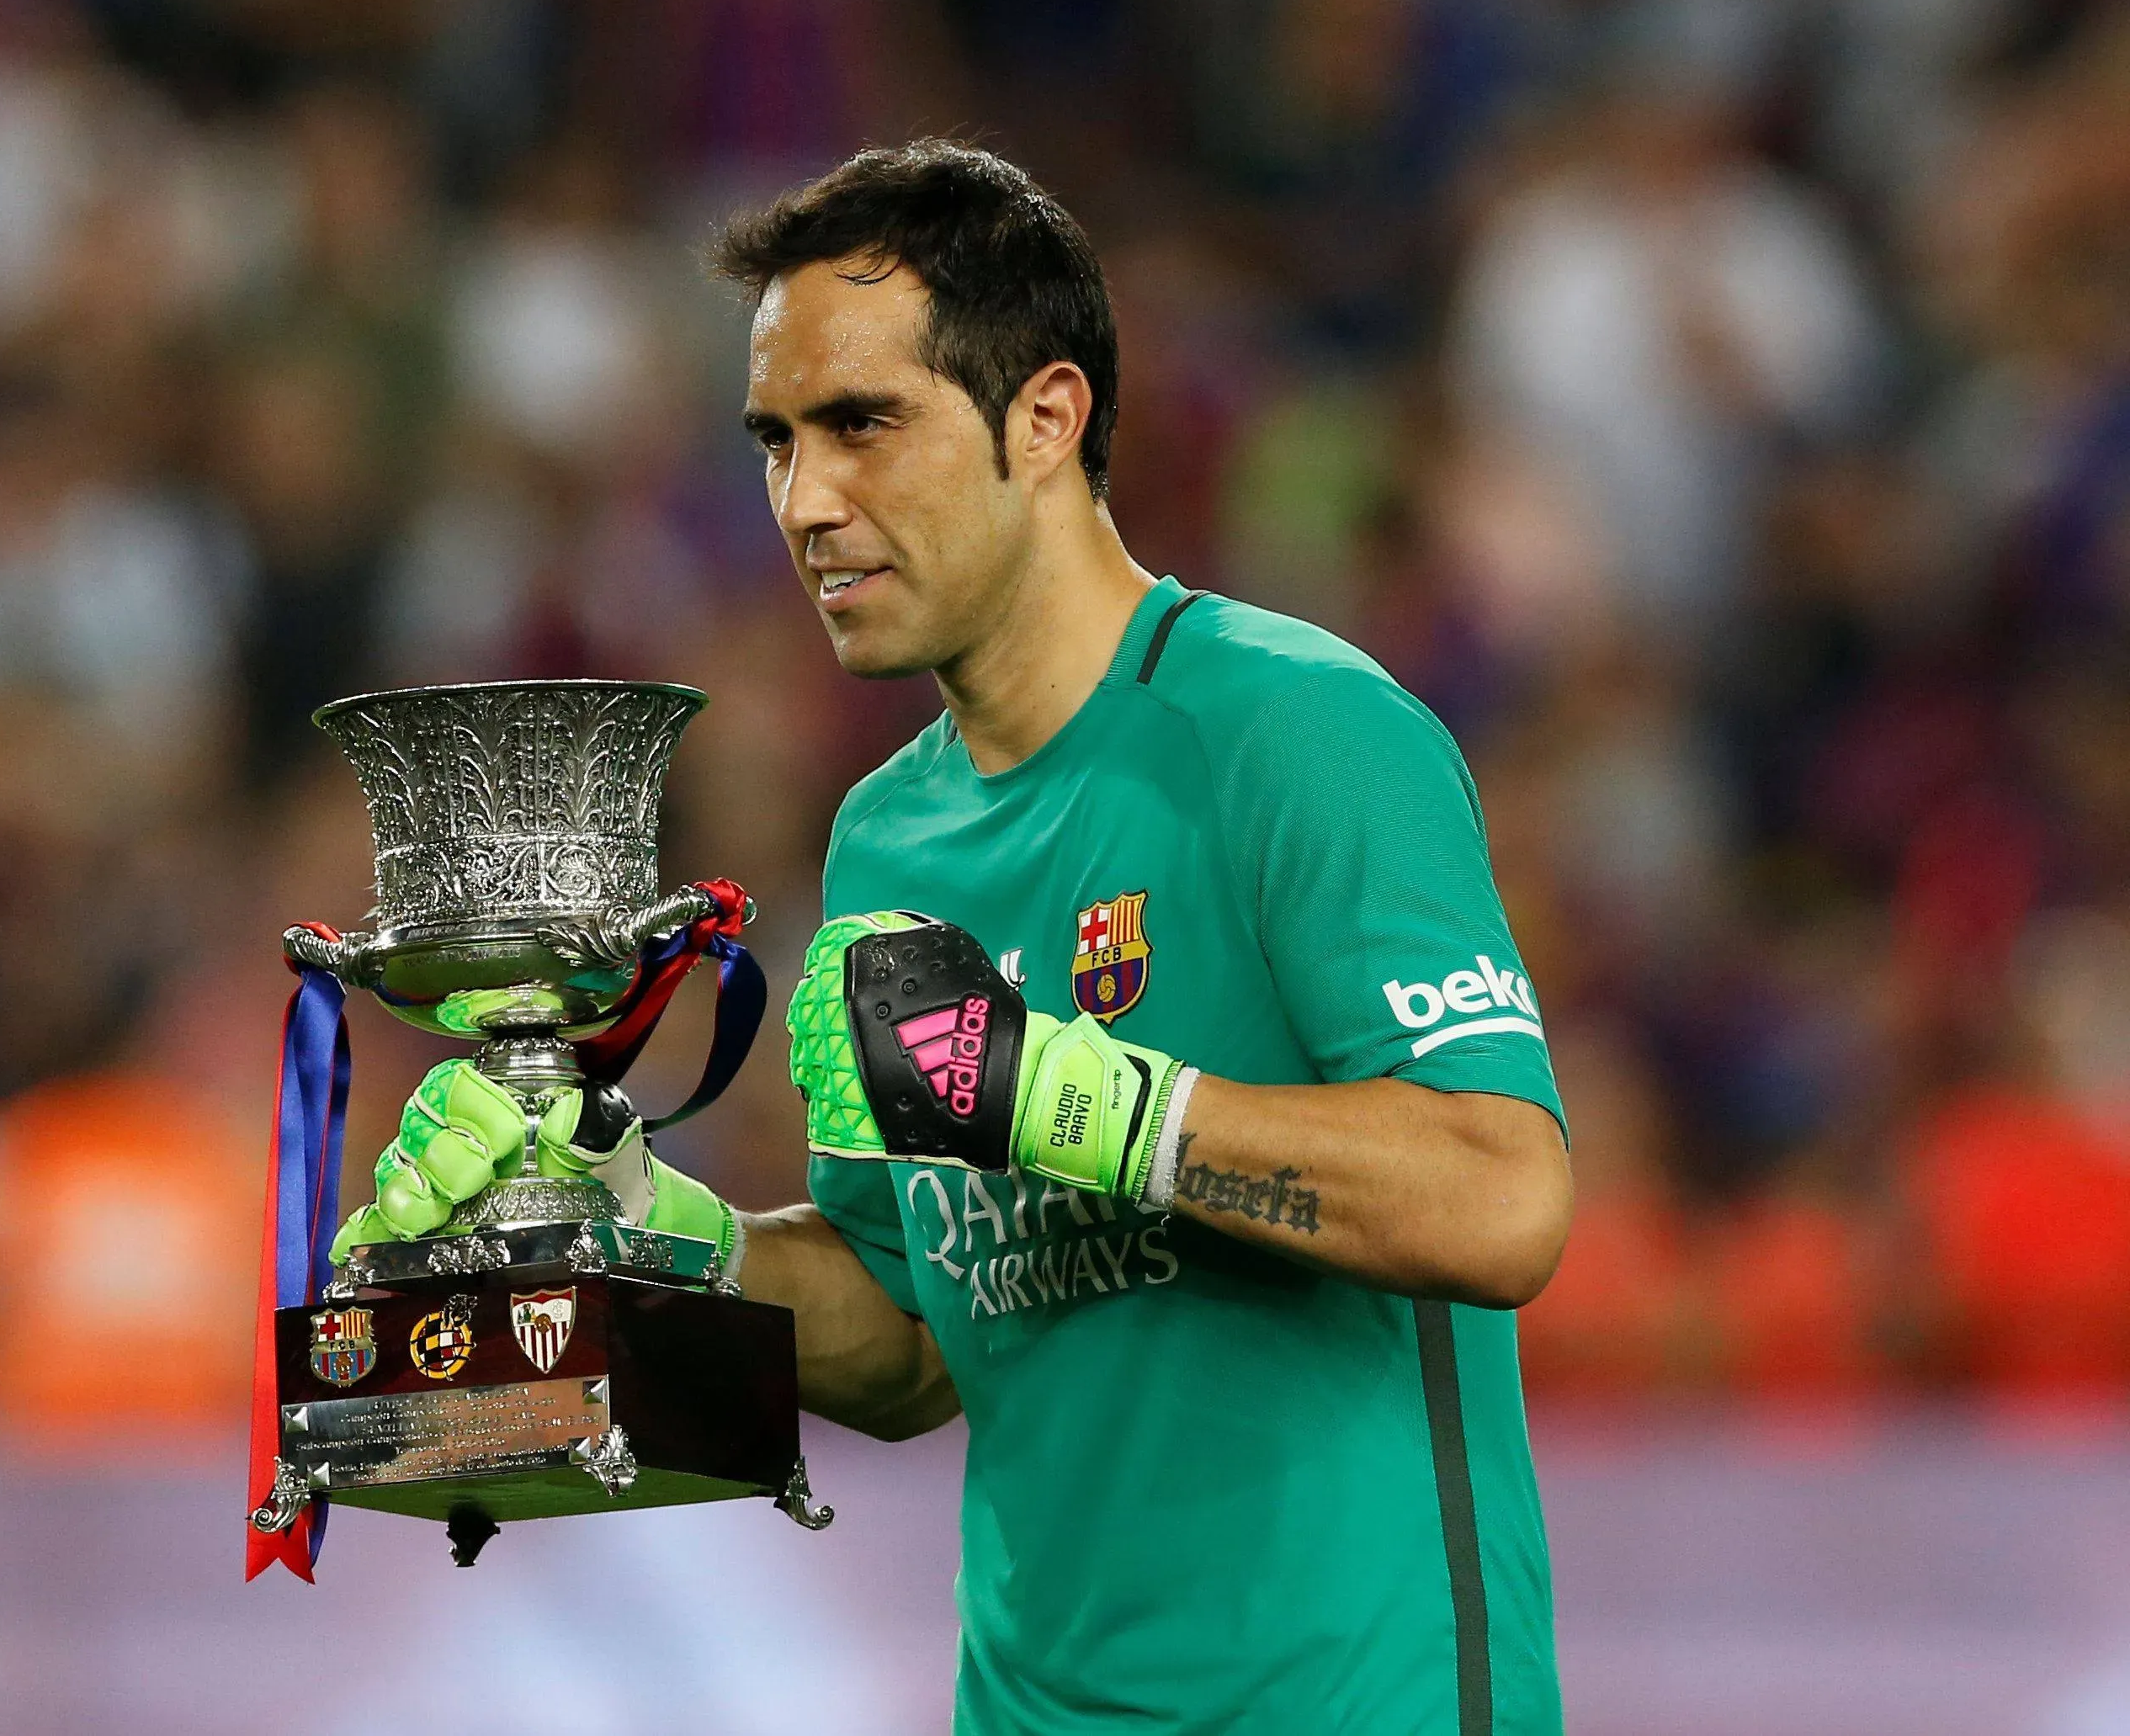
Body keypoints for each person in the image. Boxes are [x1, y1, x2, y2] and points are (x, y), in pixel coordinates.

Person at [332, 141, 1573, 1735]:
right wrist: (644, 1220)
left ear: (1047, 419)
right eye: (775, 442)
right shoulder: (884, 840)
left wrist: (1069, 1100)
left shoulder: (1302, 732)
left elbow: (1503, 1200)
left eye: (863, 424)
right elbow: (915, 1336)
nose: (805, 500)